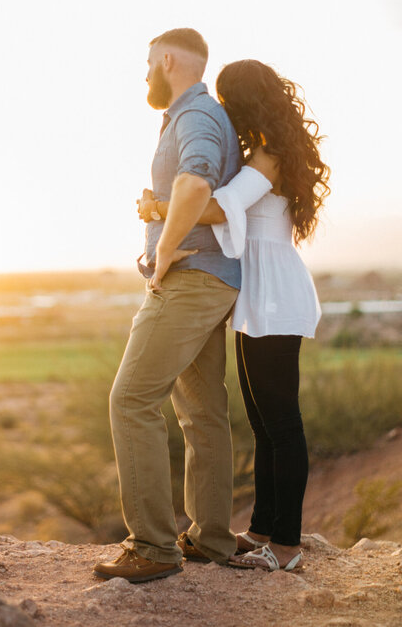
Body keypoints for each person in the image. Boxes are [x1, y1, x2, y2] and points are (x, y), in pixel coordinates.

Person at [139, 59, 329, 572]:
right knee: (264, 424)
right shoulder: (263, 149)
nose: (222, 108)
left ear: (245, 100)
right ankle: (263, 529)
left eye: (227, 98)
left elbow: (222, 207)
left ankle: (286, 546)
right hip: (257, 294)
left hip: (275, 295)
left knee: (283, 424)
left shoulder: (268, 155)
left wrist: (160, 209)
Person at [93, 28, 243, 583]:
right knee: (201, 413)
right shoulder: (202, 114)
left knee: (131, 400)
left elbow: (195, 181)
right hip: (214, 278)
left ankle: (154, 548)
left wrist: (162, 254)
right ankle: (211, 539)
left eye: (148, 63)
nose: (146, 74)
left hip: (189, 280)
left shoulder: (194, 118)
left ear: (168, 60)